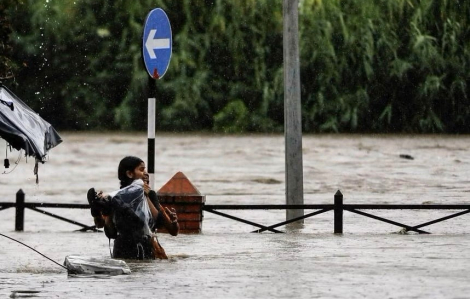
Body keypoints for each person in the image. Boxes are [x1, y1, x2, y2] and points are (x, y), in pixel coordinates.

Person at [87, 156, 179, 260]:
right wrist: (100, 213)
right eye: (141, 169)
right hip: (127, 250)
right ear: (129, 174)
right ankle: (100, 206)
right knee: (113, 205)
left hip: (142, 249)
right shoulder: (116, 197)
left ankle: (101, 205)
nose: (146, 173)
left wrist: (174, 221)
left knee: (114, 205)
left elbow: (172, 230)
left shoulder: (149, 195)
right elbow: (108, 231)